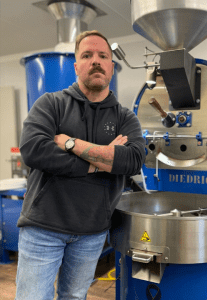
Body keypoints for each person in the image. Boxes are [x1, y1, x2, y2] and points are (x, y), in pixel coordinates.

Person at [15, 30, 146, 300]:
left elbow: (133, 160)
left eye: (103, 56)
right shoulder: (50, 104)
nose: (95, 61)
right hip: (43, 228)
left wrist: (71, 144)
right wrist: (104, 160)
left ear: (111, 66)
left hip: (92, 232)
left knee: (74, 297)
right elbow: (34, 151)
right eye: (87, 55)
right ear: (77, 66)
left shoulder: (125, 118)